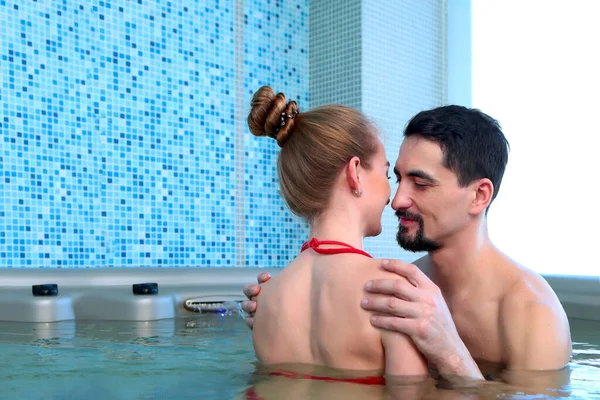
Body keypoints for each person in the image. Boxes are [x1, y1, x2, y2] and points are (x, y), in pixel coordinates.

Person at [242, 105, 572, 387]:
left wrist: (450, 352)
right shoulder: (395, 290)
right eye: (396, 177)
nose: (397, 200)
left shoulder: (534, 316)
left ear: (479, 196)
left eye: (421, 183)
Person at [243, 85, 429, 393]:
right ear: (355, 172)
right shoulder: (391, 292)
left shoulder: (265, 298)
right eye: (386, 175)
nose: (392, 195)